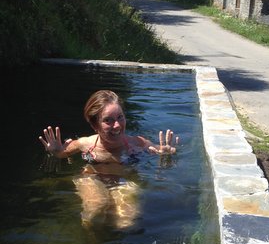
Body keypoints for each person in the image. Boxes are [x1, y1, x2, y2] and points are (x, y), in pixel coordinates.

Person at [39, 90, 179, 229]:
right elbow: (62, 153)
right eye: (108, 120)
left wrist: (166, 153)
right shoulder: (84, 144)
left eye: (120, 117)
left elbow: (158, 151)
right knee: (96, 210)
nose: (117, 125)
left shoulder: (137, 143)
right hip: (91, 178)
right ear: (95, 125)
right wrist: (55, 151)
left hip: (124, 180)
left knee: (127, 222)